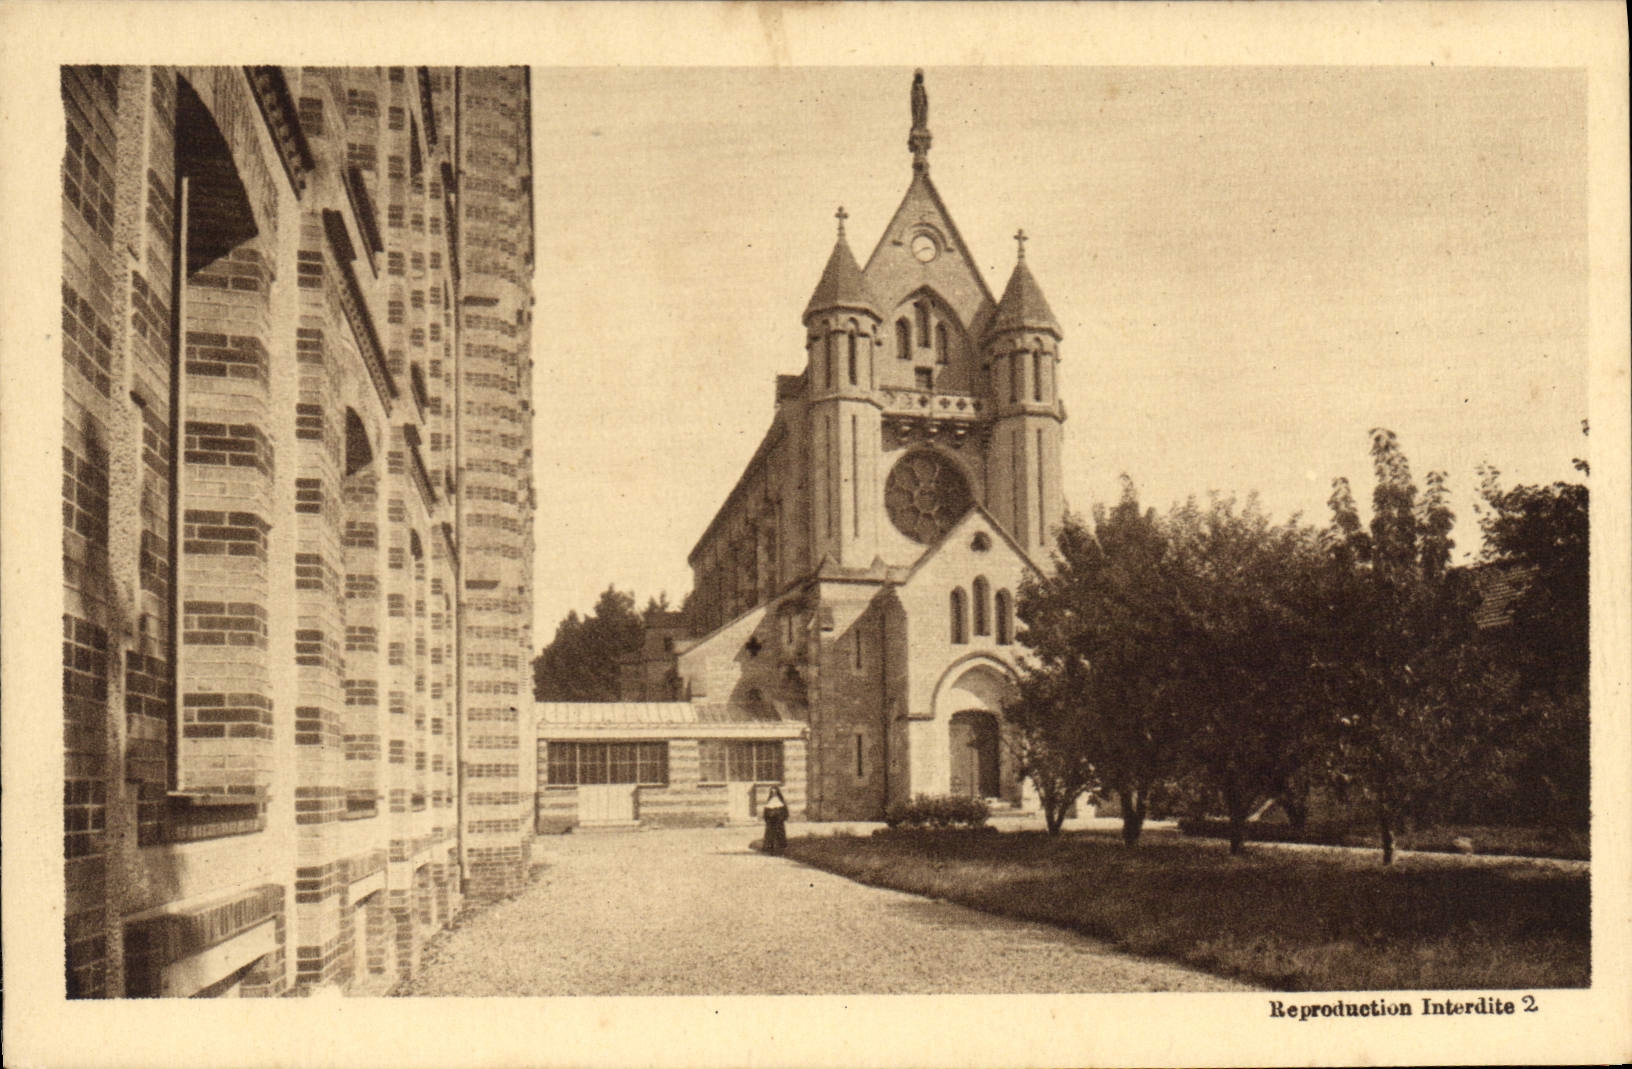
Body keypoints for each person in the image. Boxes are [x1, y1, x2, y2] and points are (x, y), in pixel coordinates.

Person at [760, 787, 789, 855]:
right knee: (771, 836)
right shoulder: (769, 802)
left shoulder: (781, 802)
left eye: (775, 793)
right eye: (772, 793)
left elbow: (785, 812)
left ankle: (781, 851)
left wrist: (781, 818)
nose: (774, 794)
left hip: (779, 822)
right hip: (771, 823)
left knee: (779, 836)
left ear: (777, 793)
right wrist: (767, 818)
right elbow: (765, 813)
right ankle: (771, 851)